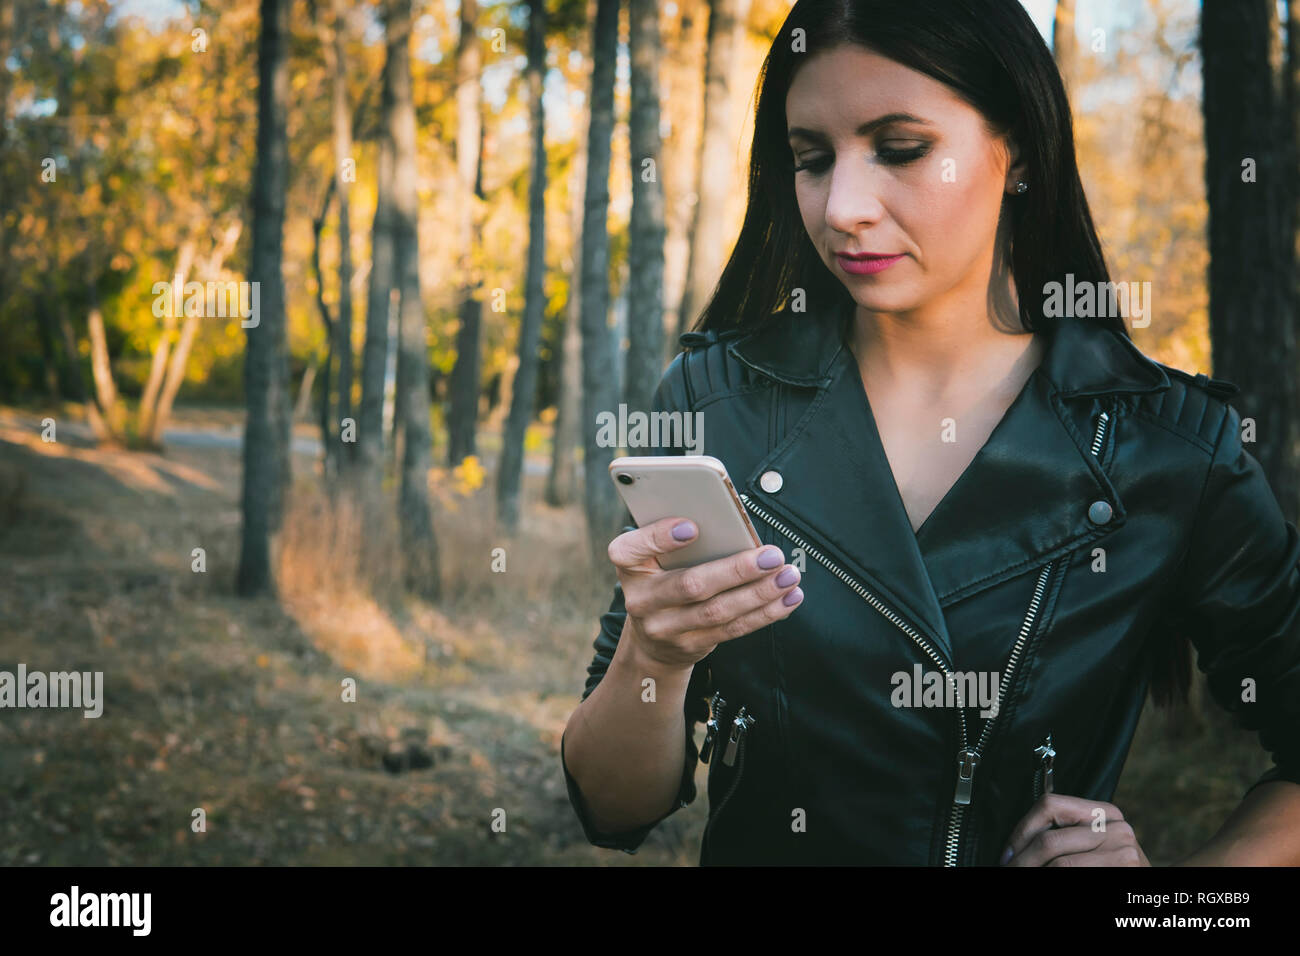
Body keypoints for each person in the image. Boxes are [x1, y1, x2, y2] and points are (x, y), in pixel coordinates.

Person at [560, 0, 1300, 865]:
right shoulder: (715, 402)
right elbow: (611, 812)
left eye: (900, 150)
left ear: (1018, 147)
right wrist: (654, 656)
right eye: (811, 160)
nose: (843, 207)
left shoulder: (1167, 445)